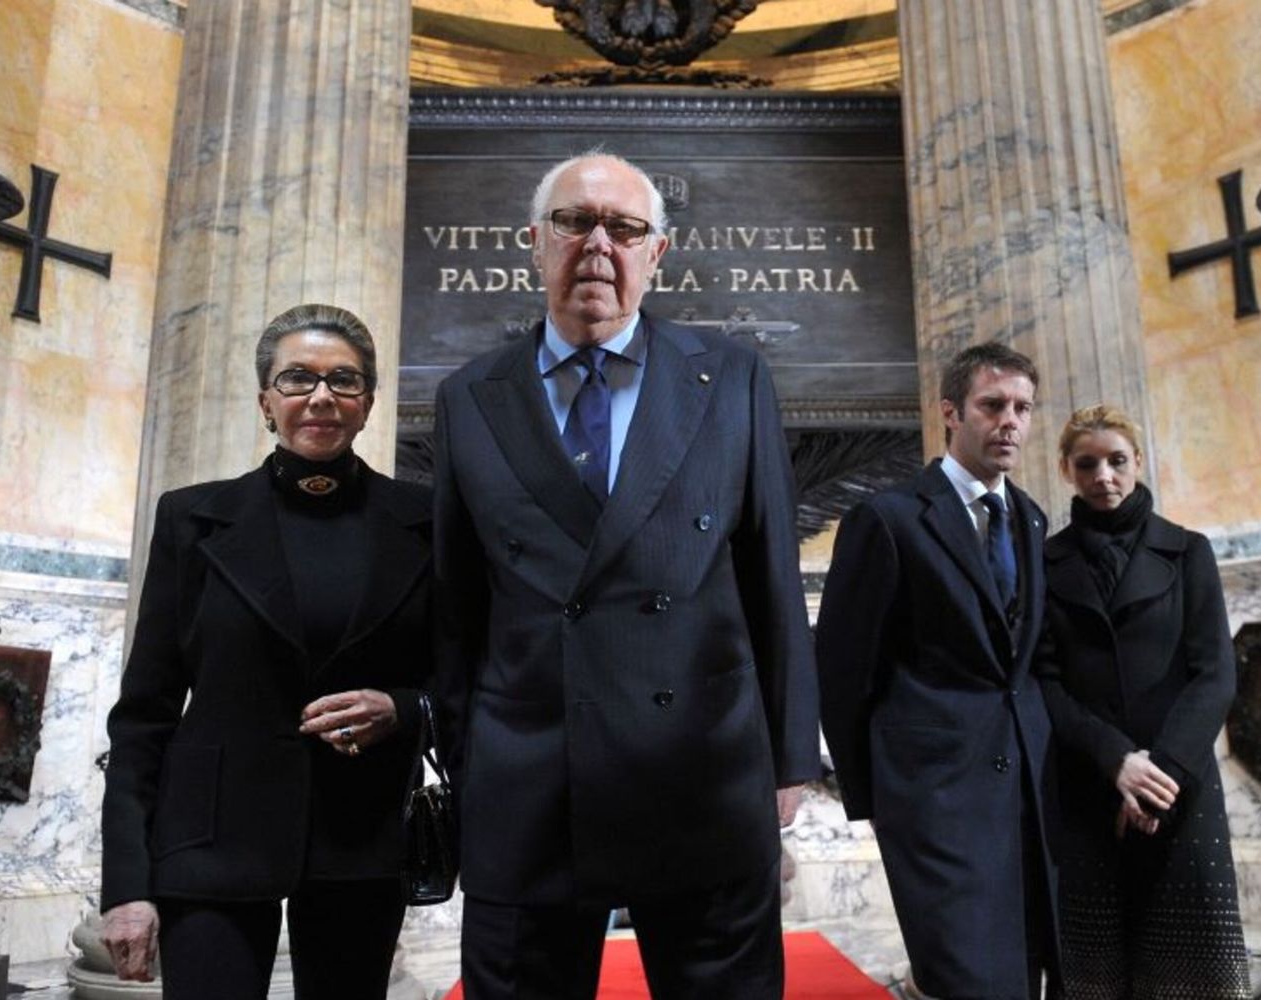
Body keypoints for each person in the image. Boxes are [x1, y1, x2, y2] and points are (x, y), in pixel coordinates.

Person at [432, 152, 819, 1000]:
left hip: (702, 770)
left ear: (657, 254)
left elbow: (771, 575)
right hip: (529, 777)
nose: (598, 245)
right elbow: (457, 605)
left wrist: (789, 759)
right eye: (574, 222)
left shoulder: (731, 377)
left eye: (625, 228)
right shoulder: (469, 396)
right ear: (535, 242)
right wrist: (468, 759)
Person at [99, 304, 441, 1000]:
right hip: (209, 840)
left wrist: (405, 708)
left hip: (361, 840)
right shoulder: (192, 519)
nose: (321, 396)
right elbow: (144, 715)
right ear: (265, 400)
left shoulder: (425, 524)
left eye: (344, 380)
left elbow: (465, 677)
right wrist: (127, 885)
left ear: (369, 402)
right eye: (298, 378)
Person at [816, 342, 1058, 1000]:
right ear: (951, 412)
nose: (1010, 421)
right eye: (993, 405)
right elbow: (843, 670)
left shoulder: (1032, 517)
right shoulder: (887, 519)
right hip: (933, 797)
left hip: (1027, 789)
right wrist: (877, 798)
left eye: (1023, 408)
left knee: (1026, 972)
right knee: (966, 978)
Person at [1035, 403, 1250, 999]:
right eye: (1087, 464)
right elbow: (1044, 681)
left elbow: (1215, 675)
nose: (1103, 476)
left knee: (1190, 971)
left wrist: (1160, 776)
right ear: (1066, 469)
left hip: (1180, 788)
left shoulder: (1187, 551)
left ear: (1137, 461)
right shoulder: (1045, 562)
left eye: (1117, 461)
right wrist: (1115, 760)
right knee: (1094, 973)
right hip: (1087, 786)